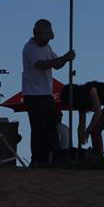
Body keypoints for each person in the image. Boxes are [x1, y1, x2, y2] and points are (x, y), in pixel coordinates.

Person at [23, 19, 74, 165]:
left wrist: (65, 59)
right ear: (37, 34)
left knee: (51, 127)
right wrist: (65, 58)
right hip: (33, 94)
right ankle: (37, 159)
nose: (47, 41)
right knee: (39, 128)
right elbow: (42, 65)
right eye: (45, 37)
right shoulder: (30, 48)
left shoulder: (46, 47)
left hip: (46, 94)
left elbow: (56, 64)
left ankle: (50, 158)